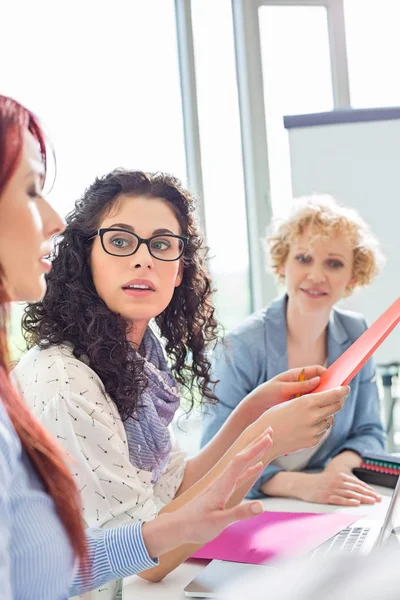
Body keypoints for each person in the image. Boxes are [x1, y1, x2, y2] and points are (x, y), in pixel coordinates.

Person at [0, 94, 347, 599]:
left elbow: (168, 490)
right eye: (120, 241)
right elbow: (143, 561)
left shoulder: (139, 356)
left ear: (182, 267)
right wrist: (264, 438)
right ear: (84, 256)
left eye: (162, 245)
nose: (144, 260)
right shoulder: (63, 377)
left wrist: (252, 410)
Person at [201, 196, 385, 506]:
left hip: (328, 501)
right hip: (251, 504)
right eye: (303, 258)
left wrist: (340, 468)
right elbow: (213, 453)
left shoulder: (357, 334)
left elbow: (370, 431)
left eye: (334, 263)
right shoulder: (241, 345)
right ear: (283, 262)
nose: (315, 275)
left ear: (353, 275)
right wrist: (297, 485)